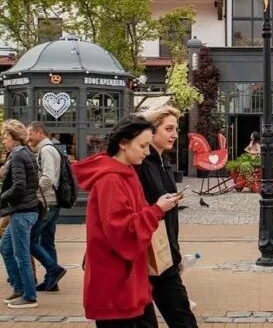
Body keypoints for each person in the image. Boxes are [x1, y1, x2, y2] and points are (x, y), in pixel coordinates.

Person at [73, 115, 182, 328]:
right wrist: (157, 210)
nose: (147, 151)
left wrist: (155, 208)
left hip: (129, 282)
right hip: (116, 286)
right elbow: (123, 232)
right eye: (142, 145)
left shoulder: (126, 173)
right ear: (123, 144)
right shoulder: (111, 180)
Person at [136, 106, 199, 328]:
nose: (174, 134)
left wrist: (175, 252)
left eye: (176, 129)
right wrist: (160, 206)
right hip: (146, 254)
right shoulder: (142, 163)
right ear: (151, 132)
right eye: (169, 129)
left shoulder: (164, 162)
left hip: (164, 252)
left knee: (182, 316)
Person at [0, 119, 42, 308]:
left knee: (21, 254)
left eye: (6, 137)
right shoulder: (26, 152)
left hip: (22, 211)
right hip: (27, 209)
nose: (3, 141)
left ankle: (29, 295)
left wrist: (4, 197)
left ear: (15, 138)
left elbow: (20, 185)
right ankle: (18, 288)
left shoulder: (17, 155)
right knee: (6, 248)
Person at [27, 121, 67, 292]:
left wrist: (32, 191)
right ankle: (52, 281)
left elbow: (48, 178)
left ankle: (54, 269)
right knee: (47, 242)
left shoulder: (46, 150)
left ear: (39, 132)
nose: (28, 137)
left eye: (30, 133)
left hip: (47, 202)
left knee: (30, 240)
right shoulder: (48, 149)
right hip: (52, 201)